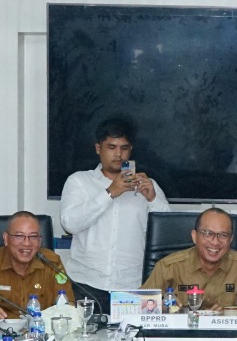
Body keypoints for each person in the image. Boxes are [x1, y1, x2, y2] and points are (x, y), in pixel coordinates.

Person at [59, 116, 169, 312]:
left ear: (130, 150)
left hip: (135, 286)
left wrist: (152, 198)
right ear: (98, 148)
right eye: (111, 147)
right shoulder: (79, 181)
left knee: (139, 334)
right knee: (81, 332)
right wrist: (110, 193)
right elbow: (70, 224)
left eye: (124, 148)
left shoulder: (148, 185)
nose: (118, 154)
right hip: (85, 284)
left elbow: (167, 234)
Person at [143, 208, 237, 312]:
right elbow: (141, 303)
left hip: (229, 332)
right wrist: (163, 308)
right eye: (207, 233)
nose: (215, 242)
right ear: (194, 236)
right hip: (182, 331)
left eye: (223, 235)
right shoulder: (169, 266)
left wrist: (231, 313)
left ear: (231, 240)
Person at [0, 212, 75, 321]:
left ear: (40, 241)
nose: (27, 243)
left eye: (33, 236)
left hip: (41, 328)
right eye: (19, 236)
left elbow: (68, 305)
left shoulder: (52, 263)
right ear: (6, 238)